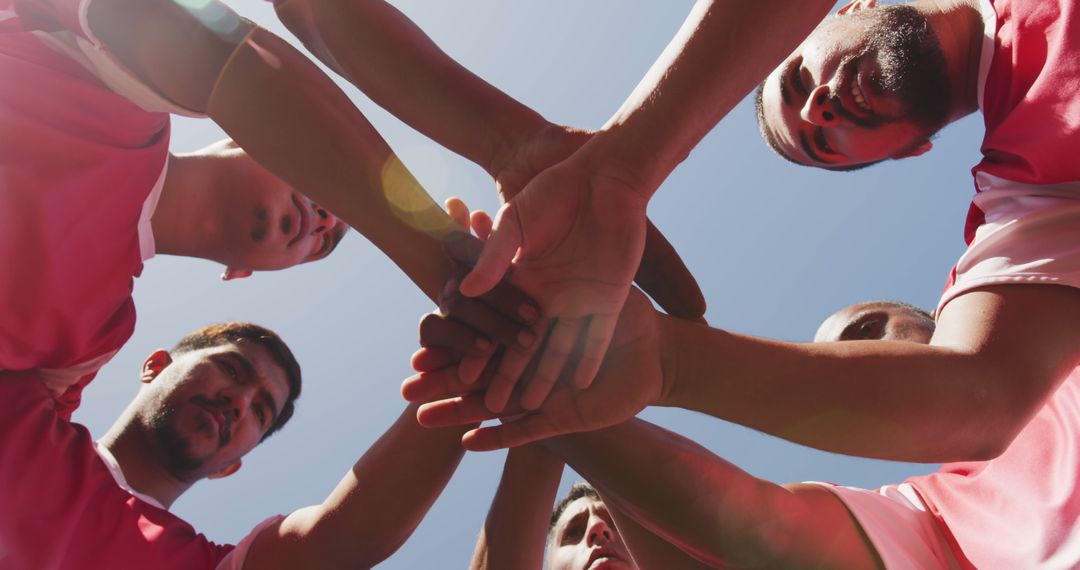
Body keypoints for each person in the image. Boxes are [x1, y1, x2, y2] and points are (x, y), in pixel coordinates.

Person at [0, 321, 476, 569]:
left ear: (230, 468)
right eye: (231, 369)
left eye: (262, 410)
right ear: (156, 364)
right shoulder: (19, 407)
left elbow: (340, 542)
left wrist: (467, 373)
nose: (238, 401)